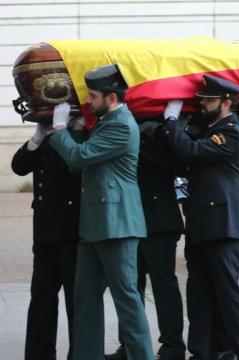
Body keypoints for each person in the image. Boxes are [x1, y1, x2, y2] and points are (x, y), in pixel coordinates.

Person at [48, 64, 153, 359]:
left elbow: (79, 158)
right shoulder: (107, 122)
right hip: (95, 224)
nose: (89, 101)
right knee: (85, 301)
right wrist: (78, 132)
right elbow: (78, 160)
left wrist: (59, 131)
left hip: (117, 225)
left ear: (112, 97)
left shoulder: (121, 124)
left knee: (127, 301)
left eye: (93, 96)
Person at [161, 75, 239, 359]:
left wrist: (171, 120)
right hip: (202, 223)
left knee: (228, 293)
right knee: (199, 293)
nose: (202, 103)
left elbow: (189, 151)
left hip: (223, 225)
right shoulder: (208, 127)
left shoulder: (232, 131)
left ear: (226, 103)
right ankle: (202, 352)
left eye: (209, 99)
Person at [106, 83, 186, 360]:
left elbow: (172, 163)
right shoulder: (124, 126)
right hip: (131, 221)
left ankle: (173, 346)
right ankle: (129, 345)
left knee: (163, 285)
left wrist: (150, 132)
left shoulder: (160, 131)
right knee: (131, 287)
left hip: (159, 222)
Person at [11, 116, 85, 360]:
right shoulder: (51, 137)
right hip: (44, 231)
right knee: (42, 299)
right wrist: (38, 137)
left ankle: (79, 354)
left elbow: (63, 166)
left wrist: (63, 131)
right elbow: (19, 166)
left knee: (76, 302)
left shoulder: (79, 138)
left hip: (71, 232)